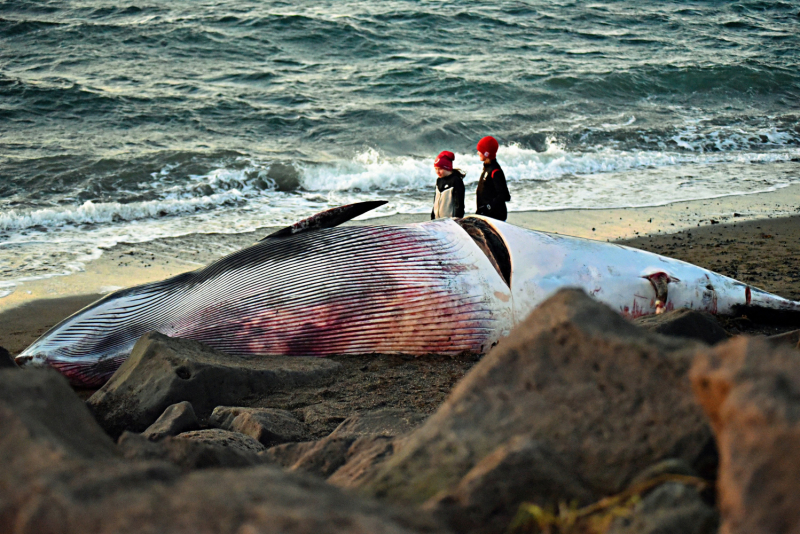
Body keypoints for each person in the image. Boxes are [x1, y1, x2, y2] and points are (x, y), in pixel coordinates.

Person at [475, 136, 511, 221]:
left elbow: (505, 195)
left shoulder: (495, 171)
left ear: (487, 153)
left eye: (480, 151)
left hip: (495, 217)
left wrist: (488, 207)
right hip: (486, 215)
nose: (477, 153)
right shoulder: (487, 168)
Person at [431, 150, 465, 219]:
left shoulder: (456, 181)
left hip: (450, 221)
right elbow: (435, 201)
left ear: (447, 167)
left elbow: (459, 204)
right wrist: (433, 217)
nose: (437, 171)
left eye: (440, 169)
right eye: (436, 169)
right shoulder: (439, 180)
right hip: (438, 220)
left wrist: (457, 220)